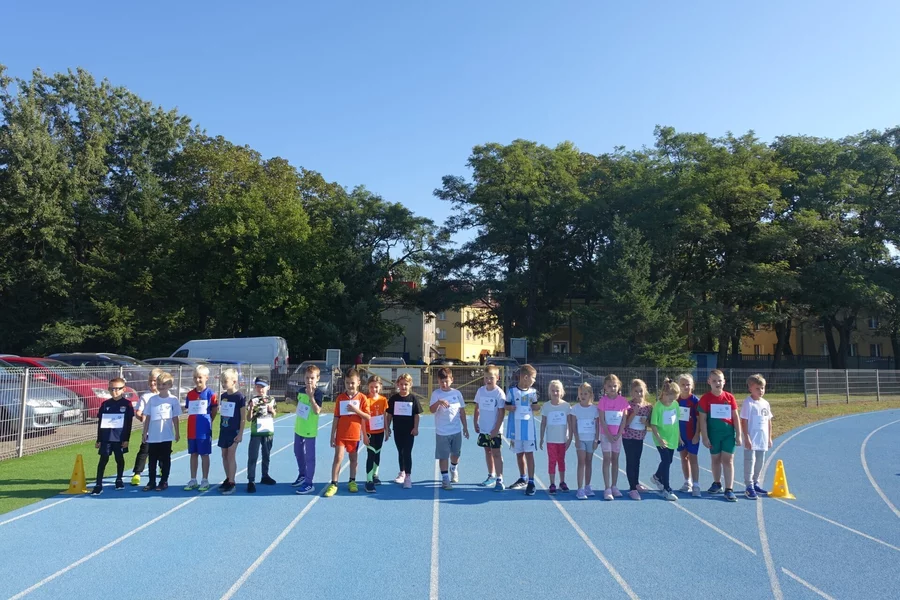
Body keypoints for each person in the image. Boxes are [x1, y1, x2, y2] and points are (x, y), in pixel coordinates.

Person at [324, 368, 370, 497]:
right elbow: (336, 417)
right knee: (338, 457)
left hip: (354, 435)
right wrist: (332, 435)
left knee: (353, 459)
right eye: (347, 383)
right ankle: (334, 483)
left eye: (352, 383)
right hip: (341, 435)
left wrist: (356, 410)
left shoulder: (362, 398)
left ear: (358, 382)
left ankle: (352, 481)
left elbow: (367, 417)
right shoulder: (340, 398)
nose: (350, 385)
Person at [699, 369, 743, 502]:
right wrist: (705, 437)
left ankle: (729, 489)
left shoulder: (729, 397)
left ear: (724, 381)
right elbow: (702, 419)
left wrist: (739, 435)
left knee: (728, 460)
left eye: (719, 381)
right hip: (713, 435)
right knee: (715, 459)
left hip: (728, 434)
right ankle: (717, 483)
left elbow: (735, 417)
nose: (717, 383)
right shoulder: (705, 398)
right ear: (709, 382)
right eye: (714, 381)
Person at [91, 377, 135, 495]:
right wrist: (99, 439)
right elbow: (100, 423)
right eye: (111, 389)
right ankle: (98, 484)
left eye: (117, 389)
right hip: (106, 437)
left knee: (119, 458)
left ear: (123, 389)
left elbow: (129, 423)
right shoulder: (105, 404)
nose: (114, 391)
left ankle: (119, 479)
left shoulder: (127, 404)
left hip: (119, 438)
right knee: (103, 459)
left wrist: (126, 439)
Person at [430, 368, 469, 490]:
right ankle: (445, 478)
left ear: (452, 380)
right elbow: (431, 410)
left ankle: (453, 468)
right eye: (442, 381)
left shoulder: (457, 394)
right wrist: (438, 402)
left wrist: (465, 427)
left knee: (455, 454)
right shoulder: (436, 394)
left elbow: (462, 411)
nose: (444, 384)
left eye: (446, 381)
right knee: (443, 456)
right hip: (442, 432)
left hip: (456, 430)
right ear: (438, 381)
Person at [504, 364, 540, 496]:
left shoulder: (533, 392)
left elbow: (536, 406)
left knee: (529, 454)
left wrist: (536, 407)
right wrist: (510, 408)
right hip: (516, 429)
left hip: (528, 430)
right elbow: (506, 405)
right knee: (519, 454)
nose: (534, 380)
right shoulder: (512, 391)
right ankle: (523, 477)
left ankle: (531, 481)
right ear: (525, 377)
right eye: (533, 377)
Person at [141, 372, 181, 492]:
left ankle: (164, 481)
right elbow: (147, 416)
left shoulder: (173, 400)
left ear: (170, 385)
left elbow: (175, 417)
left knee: (165, 459)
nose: (160, 386)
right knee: (152, 460)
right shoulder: (152, 400)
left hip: (166, 435)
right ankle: (151, 481)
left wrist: (177, 432)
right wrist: (145, 432)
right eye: (159, 384)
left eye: (164, 384)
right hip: (153, 435)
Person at [385, 372, 422, 489]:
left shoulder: (413, 399)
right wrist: (387, 427)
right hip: (397, 430)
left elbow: (416, 415)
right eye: (401, 384)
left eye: (406, 384)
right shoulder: (394, 399)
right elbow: (389, 415)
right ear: (398, 385)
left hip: (409, 431)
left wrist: (416, 428)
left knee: (407, 452)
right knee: (400, 451)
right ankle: (401, 472)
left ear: (410, 385)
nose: (403, 387)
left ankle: (408, 476)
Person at [184, 365, 217, 492]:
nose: (197, 380)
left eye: (200, 377)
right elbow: (189, 409)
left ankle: (205, 479)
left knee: (204, 454)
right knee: (193, 454)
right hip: (192, 429)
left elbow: (214, 410)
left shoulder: (210, 394)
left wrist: (209, 421)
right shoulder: (190, 394)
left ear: (206, 378)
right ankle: (193, 479)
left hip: (204, 430)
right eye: (195, 377)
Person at [740, 373, 774, 500]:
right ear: (750, 389)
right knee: (750, 461)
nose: (761, 391)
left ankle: (756, 482)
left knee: (760, 461)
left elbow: (769, 421)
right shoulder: (748, 403)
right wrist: (746, 437)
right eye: (758, 388)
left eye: (763, 388)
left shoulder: (765, 403)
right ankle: (749, 486)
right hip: (751, 438)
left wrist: (769, 437)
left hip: (762, 438)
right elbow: (744, 421)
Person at [293, 364, 324, 495]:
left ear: (317, 379)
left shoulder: (318, 393)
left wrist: (311, 396)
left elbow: (317, 411)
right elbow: (301, 405)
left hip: (310, 430)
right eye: (307, 378)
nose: (309, 380)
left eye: (312, 378)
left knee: (309, 456)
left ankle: (309, 483)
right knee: (297, 452)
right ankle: (302, 474)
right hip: (299, 427)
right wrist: (291, 402)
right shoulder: (301, 391)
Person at [473, 365, 506, 491]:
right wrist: (475, 422)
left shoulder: (499, 393)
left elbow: (502, 413)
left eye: (491, 378)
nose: (488, 380)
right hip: (484, 428)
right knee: (487, 451)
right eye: (486, 377)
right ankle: (491, 475)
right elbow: (477, 408)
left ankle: (499, 479)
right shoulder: (480, 391)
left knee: (496, 453)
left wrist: (496, 429)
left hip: (494, 430)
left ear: (497, 378)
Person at [597, 374, 629, 500]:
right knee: (606, 459)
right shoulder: (603, 401)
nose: (612, 388)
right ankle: (607, 488)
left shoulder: (623, 401)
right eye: (609, 386)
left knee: (615, 459)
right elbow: (602, 420)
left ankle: (614, 486)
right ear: (605, 387)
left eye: (615, 386)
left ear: (619, 386)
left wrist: (619, 434)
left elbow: (624, 419)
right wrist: (609, 435)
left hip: (617, 435)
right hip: (606, 435)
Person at [130, 368, 163, 486]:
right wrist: (142, 417)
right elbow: (138, 412)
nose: (152, 383)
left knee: (162, 452)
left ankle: (162, 468)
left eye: (155, 381)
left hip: (162, 431)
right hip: (149, 431)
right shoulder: (145, 396)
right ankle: (137, 473)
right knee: (144, 451)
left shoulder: (166, 395)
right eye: (150, 381)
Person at [650, 379, 681, 501]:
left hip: (672, 437)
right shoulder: (658, 407)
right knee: (666, 460)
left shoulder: (675, 405)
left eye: (674, 398)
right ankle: (667, 488)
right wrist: (659, 439)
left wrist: (679, 437)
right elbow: (653, 425)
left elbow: (676, 422)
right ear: (664, 393)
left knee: (669, 460)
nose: (672, 400)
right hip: (661, 439)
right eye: (670, 398)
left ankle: (657, 476)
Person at [539, 379, 571, 494]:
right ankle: (552, 483)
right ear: (549, 392)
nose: (555, 393)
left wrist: (570, 438)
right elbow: (543, 423)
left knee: (561, 461)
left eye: (557, 390)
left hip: (562, 440)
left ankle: (562, 482)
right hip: (551, 440)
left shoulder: (566, 406)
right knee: (552, 461)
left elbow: (570, 423)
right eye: (553, 391)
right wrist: (541, 438)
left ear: (561, 392)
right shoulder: (546, 406)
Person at [622, 379, 652, 500]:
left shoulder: (648, 406)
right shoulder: (628, 405)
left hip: (640, 437)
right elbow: (625, 423)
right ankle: (632, 488)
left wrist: (646, 423)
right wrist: (633, 413)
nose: (639, 394)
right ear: (631, 392)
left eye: (641, 391)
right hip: (628, 437)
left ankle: (636, 483)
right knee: (630, 461)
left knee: (637, 461)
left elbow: (650, 424)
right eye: (636, 391)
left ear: (645, 391)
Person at [217, 369, 246, 495]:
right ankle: (228, 477)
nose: (223, 384)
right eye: (222, 381)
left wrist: (240, 434)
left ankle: (232, 482)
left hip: (234, 431)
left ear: (234, 381)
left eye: (225, 381)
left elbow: (243, 417)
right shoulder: (223, 396)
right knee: (224, 455)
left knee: (231, 455)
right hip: (224, 430)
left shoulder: (240, 397)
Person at [246, 377, 277, 493]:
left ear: (268, 387)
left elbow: (274, 414)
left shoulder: (271, 400)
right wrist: (251, 409)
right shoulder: (253, 400)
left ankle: (265, 475)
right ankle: (251, 480)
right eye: (258, 387)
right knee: (253, 456)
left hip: (268, 431)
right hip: (256, 432)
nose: (260, 389)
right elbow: (249, 418)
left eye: (262, 387)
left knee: (266, 454)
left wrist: (272, 410)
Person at [571, 382, 598, 500]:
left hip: (591, 439)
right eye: (581, 393)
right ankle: (580, 488)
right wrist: (576, 439)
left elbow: (597, 426)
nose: (583, 396)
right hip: (581, 440)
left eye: (585, 394)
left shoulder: (595, 409)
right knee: (581, 462)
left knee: (589, 462)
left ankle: (587, 486)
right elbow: (573, 426)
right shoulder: (575, 409)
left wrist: (596, 440)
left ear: (590, 394)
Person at [676, 373, 702, 497]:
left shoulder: (695, 401)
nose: (686, 387)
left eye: (688, 384)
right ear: (678, 386)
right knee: (683, 458)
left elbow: (699, 419)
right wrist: (677, 436)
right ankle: (687, 482)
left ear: (692, 386)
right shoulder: (676, 401)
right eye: (683, 384)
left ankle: (696, 484)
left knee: (693, 459)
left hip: (692, 435)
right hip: (680, 435)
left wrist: (697, 434)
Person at [363, 375, 388, 493]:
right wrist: (364, 434)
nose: (374, 389)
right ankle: (368, 481)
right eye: (371, 387)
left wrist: (387, 430)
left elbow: (384, 416)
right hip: (370, 432)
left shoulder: (383, 400)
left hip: (380, 432)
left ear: (380, 387)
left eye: (376, 387)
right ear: (368, 387)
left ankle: (375, 474)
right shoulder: (365, 400)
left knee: (377, 453)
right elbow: (363, 419)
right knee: (371, 454)